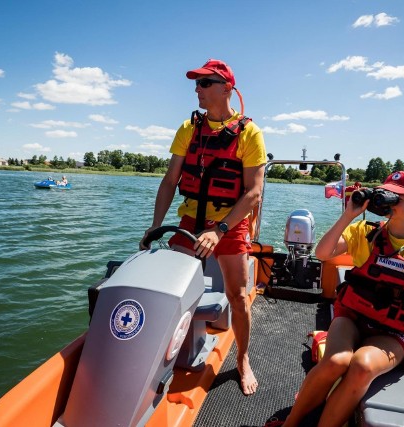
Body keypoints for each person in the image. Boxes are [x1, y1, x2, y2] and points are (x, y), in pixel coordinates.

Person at [280, 171, 404, 427]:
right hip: (354, 317)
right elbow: (322, 254)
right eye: (387, 194)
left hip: (393, 332)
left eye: (398, 197)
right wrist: (348, 215)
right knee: (336, 360)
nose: (389, 201)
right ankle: (290, 423)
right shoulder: (364, 231)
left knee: (362, 365)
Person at [139, 59, 266, 396]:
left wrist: (220, 230)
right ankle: (158, 358)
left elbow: (253, 192)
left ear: (227, 88)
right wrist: (154, 228)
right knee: (171, 293)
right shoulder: (188, 129)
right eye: (196, 83)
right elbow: (169, 181)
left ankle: (242, 360)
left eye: (205, 83)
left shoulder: (250, 133)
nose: (197, 89)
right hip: (190, 222)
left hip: (231, 225)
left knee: (237, 297)